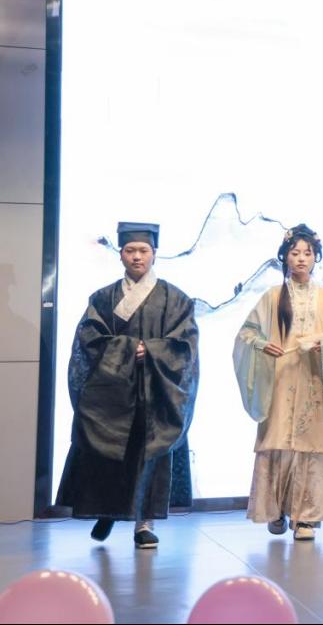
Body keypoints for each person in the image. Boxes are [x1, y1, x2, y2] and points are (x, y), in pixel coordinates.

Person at [57, 222, 199, 549]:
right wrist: (127, 349)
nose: (137, 257)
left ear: (154, 254)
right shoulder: (103, 298)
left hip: (155, 390)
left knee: (148, 454)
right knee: (110, 450)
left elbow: (185, 344)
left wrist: (152, 351)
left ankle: (144, 524)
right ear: (120, 254)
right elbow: (88, 339)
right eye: (130, 250)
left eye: (143, 251)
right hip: (112, 392)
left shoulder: (175, 299)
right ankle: (108, 511)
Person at [234, 224, 323, 540]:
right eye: (295, 253)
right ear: (285, 258)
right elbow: (246, 334)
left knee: (312, 447)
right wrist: (263, 345)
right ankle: (275, 509)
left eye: (308, 253)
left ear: (316, 258)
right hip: (280, 379)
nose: (301, 259)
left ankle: (306, 518)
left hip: (316, 380)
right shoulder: (272, 297)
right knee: (278, 443)